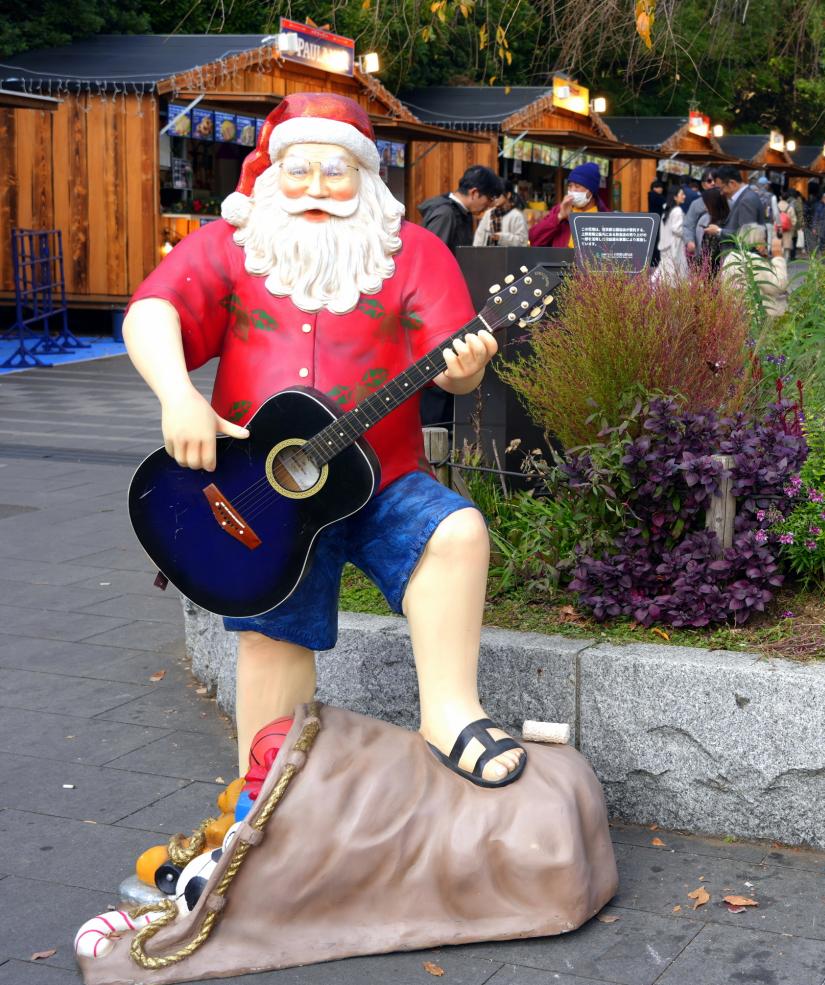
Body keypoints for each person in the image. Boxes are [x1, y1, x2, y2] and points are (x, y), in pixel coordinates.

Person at [121, 92, 525, 787]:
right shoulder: (233, 249)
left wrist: (467, 368)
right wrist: (177, 395)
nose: (314, 189)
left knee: (454, 534)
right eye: (299, 170)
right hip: (260, 490)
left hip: (382, 480)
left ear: (364, 178)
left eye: (333, 172)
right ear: (272, 175)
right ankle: (263, 785)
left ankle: (451, 711)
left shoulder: (413, 254)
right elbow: (154, 308)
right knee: (271, 631)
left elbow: (454, 366)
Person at [417, 164, 504, 253]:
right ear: (474, 193)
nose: (489, 205)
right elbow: (431, 256)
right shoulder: (445, 214)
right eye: (489, 199)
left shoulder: (464, 213)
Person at [527, 161, 608, 248]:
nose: (572, 191)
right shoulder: (560, 210)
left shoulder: (605, 217)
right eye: (570, 186)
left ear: (591, 191)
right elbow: (534, 239)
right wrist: (559, 217)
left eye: (577, 186)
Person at [721, 224, 789, 318]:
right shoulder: (752, 260)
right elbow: (779, 285)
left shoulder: (730, 258)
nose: (765, 244)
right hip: (758, 317)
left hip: (735, 314)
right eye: (764, 240)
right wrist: (778, 257)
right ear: (757, 243)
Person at [707, 164, 767, 251]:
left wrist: (718, 231)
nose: (721, 193)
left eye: (721, 188)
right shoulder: (747, 196)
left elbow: (747, 235)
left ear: (732, 183)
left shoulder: (746, 200)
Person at [682, 169, 721, 262]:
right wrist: (689, 241)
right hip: (701, 251)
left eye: (715, 180)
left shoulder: (728, 202)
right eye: (709, 181)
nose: (713, 183)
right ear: (703, 185)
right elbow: (688, 225)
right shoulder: (696, 204)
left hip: (723, 252)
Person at [657, 184, 690, 284]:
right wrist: (688, 232)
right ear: (675, 197)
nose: (684, 196)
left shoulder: (667, 209)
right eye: (682, 194)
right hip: (675, 247)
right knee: (676, 275)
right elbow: (677, 229)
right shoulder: (677, 210)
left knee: (665, 273)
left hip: (665, 247)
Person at [696, 185, 730, 274]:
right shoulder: (727, 220)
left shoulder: (715, 226)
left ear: (713, 204)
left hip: (713, 273)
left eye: (706, 204)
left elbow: (709, 255)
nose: (705, 207)